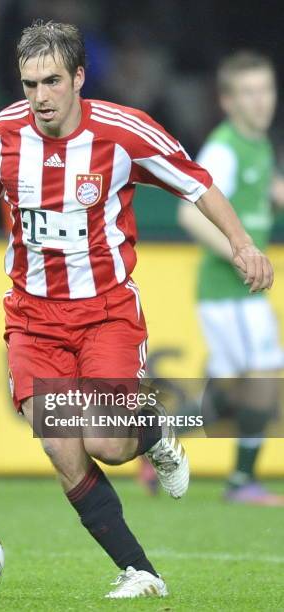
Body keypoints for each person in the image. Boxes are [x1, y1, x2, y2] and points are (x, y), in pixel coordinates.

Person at [0, 22, 273, 598]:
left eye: (52, 80)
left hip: (106, 310)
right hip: (32, 317)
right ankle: (141, 572)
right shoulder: (1, 135)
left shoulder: (125, 133)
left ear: (79, 77)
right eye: (29, 83)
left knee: (107, 440)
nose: (40, 96)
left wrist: (242, 244)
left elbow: (197, 184)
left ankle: (155, 432)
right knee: (60, 443)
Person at [179, 51, 284, 506]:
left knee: (226, 392)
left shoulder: (257, 144)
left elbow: (266, 193)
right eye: (249, 92)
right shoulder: (224, 147)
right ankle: (242, 484)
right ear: (227, 100)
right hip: (230, 291)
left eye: (266, 90)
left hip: (236, 292)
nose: (261, 101)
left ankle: (154, 437)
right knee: (266, 375)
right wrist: (243, 253)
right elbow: (190, 214)